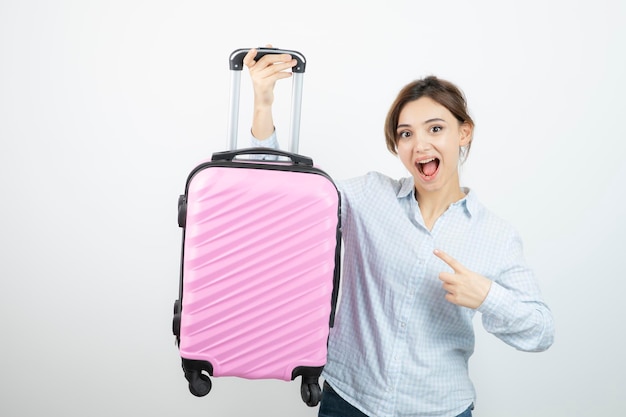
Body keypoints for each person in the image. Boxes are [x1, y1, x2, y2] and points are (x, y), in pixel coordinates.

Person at [242, 47, 555, 417]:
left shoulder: (495, 235)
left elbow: (541, 331)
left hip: (441, 410)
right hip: (348, 401)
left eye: (435, 128)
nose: (420, 145)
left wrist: (488, 296)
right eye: (406, 134)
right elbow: (283, 192)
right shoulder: (369, 196)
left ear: (464, 133)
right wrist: (263, 102)